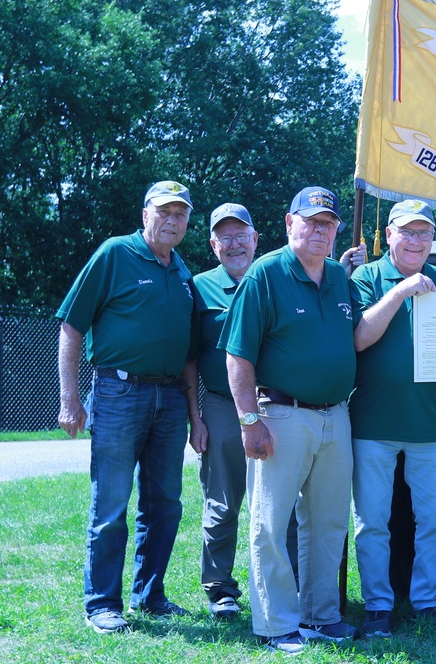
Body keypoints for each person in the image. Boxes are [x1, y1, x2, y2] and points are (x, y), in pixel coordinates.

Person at [193, 203, 366, 622]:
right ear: (289, 223)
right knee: (270, 524)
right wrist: (250, 422)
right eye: (311, 222)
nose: (319, 231)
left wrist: (398, 292)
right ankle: (275, 623)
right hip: (281, 413)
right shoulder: (264, 274)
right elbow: (237, 355)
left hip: (335, 415)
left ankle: (320, 616)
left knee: (327, 524)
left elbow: (360, 335)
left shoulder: (340, 277)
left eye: (328, 223)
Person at [57, 180, 204, 634]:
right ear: (145, 215)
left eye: (180, 214)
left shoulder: (182, 271)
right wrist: (69, 398)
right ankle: (102, 602)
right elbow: (71, 325)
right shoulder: (114, 254)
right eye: (164, 211)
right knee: (112, 503)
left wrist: (196, 416)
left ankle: (150, 594)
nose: (172, 220)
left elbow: (189, 355)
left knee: (166, 503)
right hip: (118, 393)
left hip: (170, 399)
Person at [349, 199, 436, 638]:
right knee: (372, 523)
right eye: (408, 232)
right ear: (389, 235)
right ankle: (378, 606)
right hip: (373, 424)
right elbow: (360, 338)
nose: (416, 240)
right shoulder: (366, 277)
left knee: (435, 520)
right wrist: (400, 290)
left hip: (431, 423)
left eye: (424, 233)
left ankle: (427, 601)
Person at [191, 203, 259, 619]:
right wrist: (195, 417)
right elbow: (189, 359)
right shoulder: (197, 287)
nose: (234, 244)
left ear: (255, 239)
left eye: (241, 235)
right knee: (222, 502)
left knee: (279, 503)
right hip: (219, 404)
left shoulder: (273, 277)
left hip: (274, 403)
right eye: (225, 237)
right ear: (214, 244)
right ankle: (221, 590)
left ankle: (281, 584)